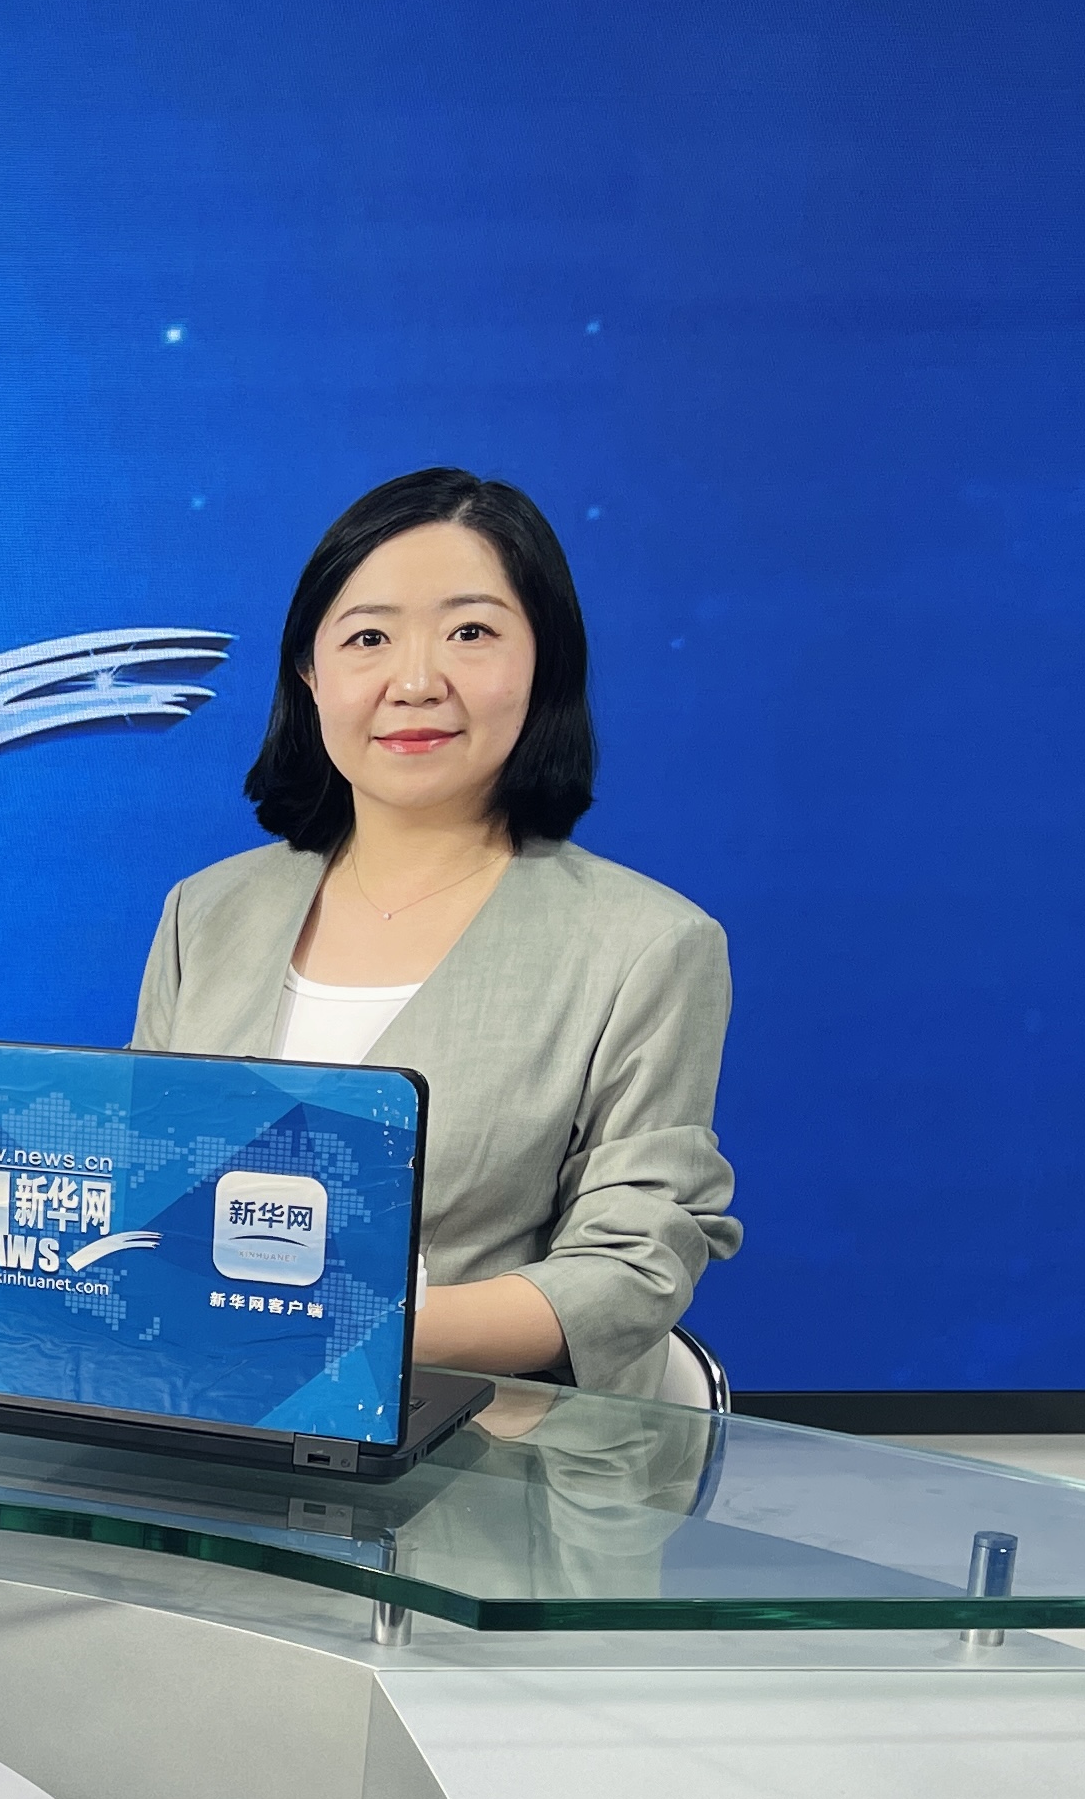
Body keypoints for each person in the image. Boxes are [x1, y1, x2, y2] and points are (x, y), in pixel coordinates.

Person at [132, 469, 735, 1399]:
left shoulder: (648, 946)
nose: (415, 683)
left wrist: (348, 1331)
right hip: (195, 1422)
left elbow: (631, 1270)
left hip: (476, 1451)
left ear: (543, 664)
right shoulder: (205, 912)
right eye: (369, 638)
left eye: (471, 633)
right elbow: (138, 1191)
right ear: (310, 673)